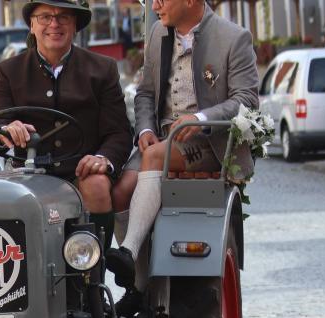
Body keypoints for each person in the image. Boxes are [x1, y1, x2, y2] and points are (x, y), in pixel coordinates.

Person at [105, 0, 259, 295]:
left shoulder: (233, 37)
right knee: (121, 189)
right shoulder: (156, 34)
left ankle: (128, 251)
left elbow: (247, 100)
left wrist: (200, 119)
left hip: (208, 143)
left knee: (154, 155)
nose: (155, 5)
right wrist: (146, 129)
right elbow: (146, 93)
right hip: (161, 140)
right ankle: (137, 287)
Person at [0, 0, 133, 251]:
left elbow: (119, 132)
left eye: (63, 17)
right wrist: (7, 130)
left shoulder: (102, 69)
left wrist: (102, 158)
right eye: (45, 17)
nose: (54, 24)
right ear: (32, 25)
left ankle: (93, 275)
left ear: (75, 25)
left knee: (98, 184)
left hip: (81, 171)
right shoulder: (8, 71)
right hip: (28, 173)